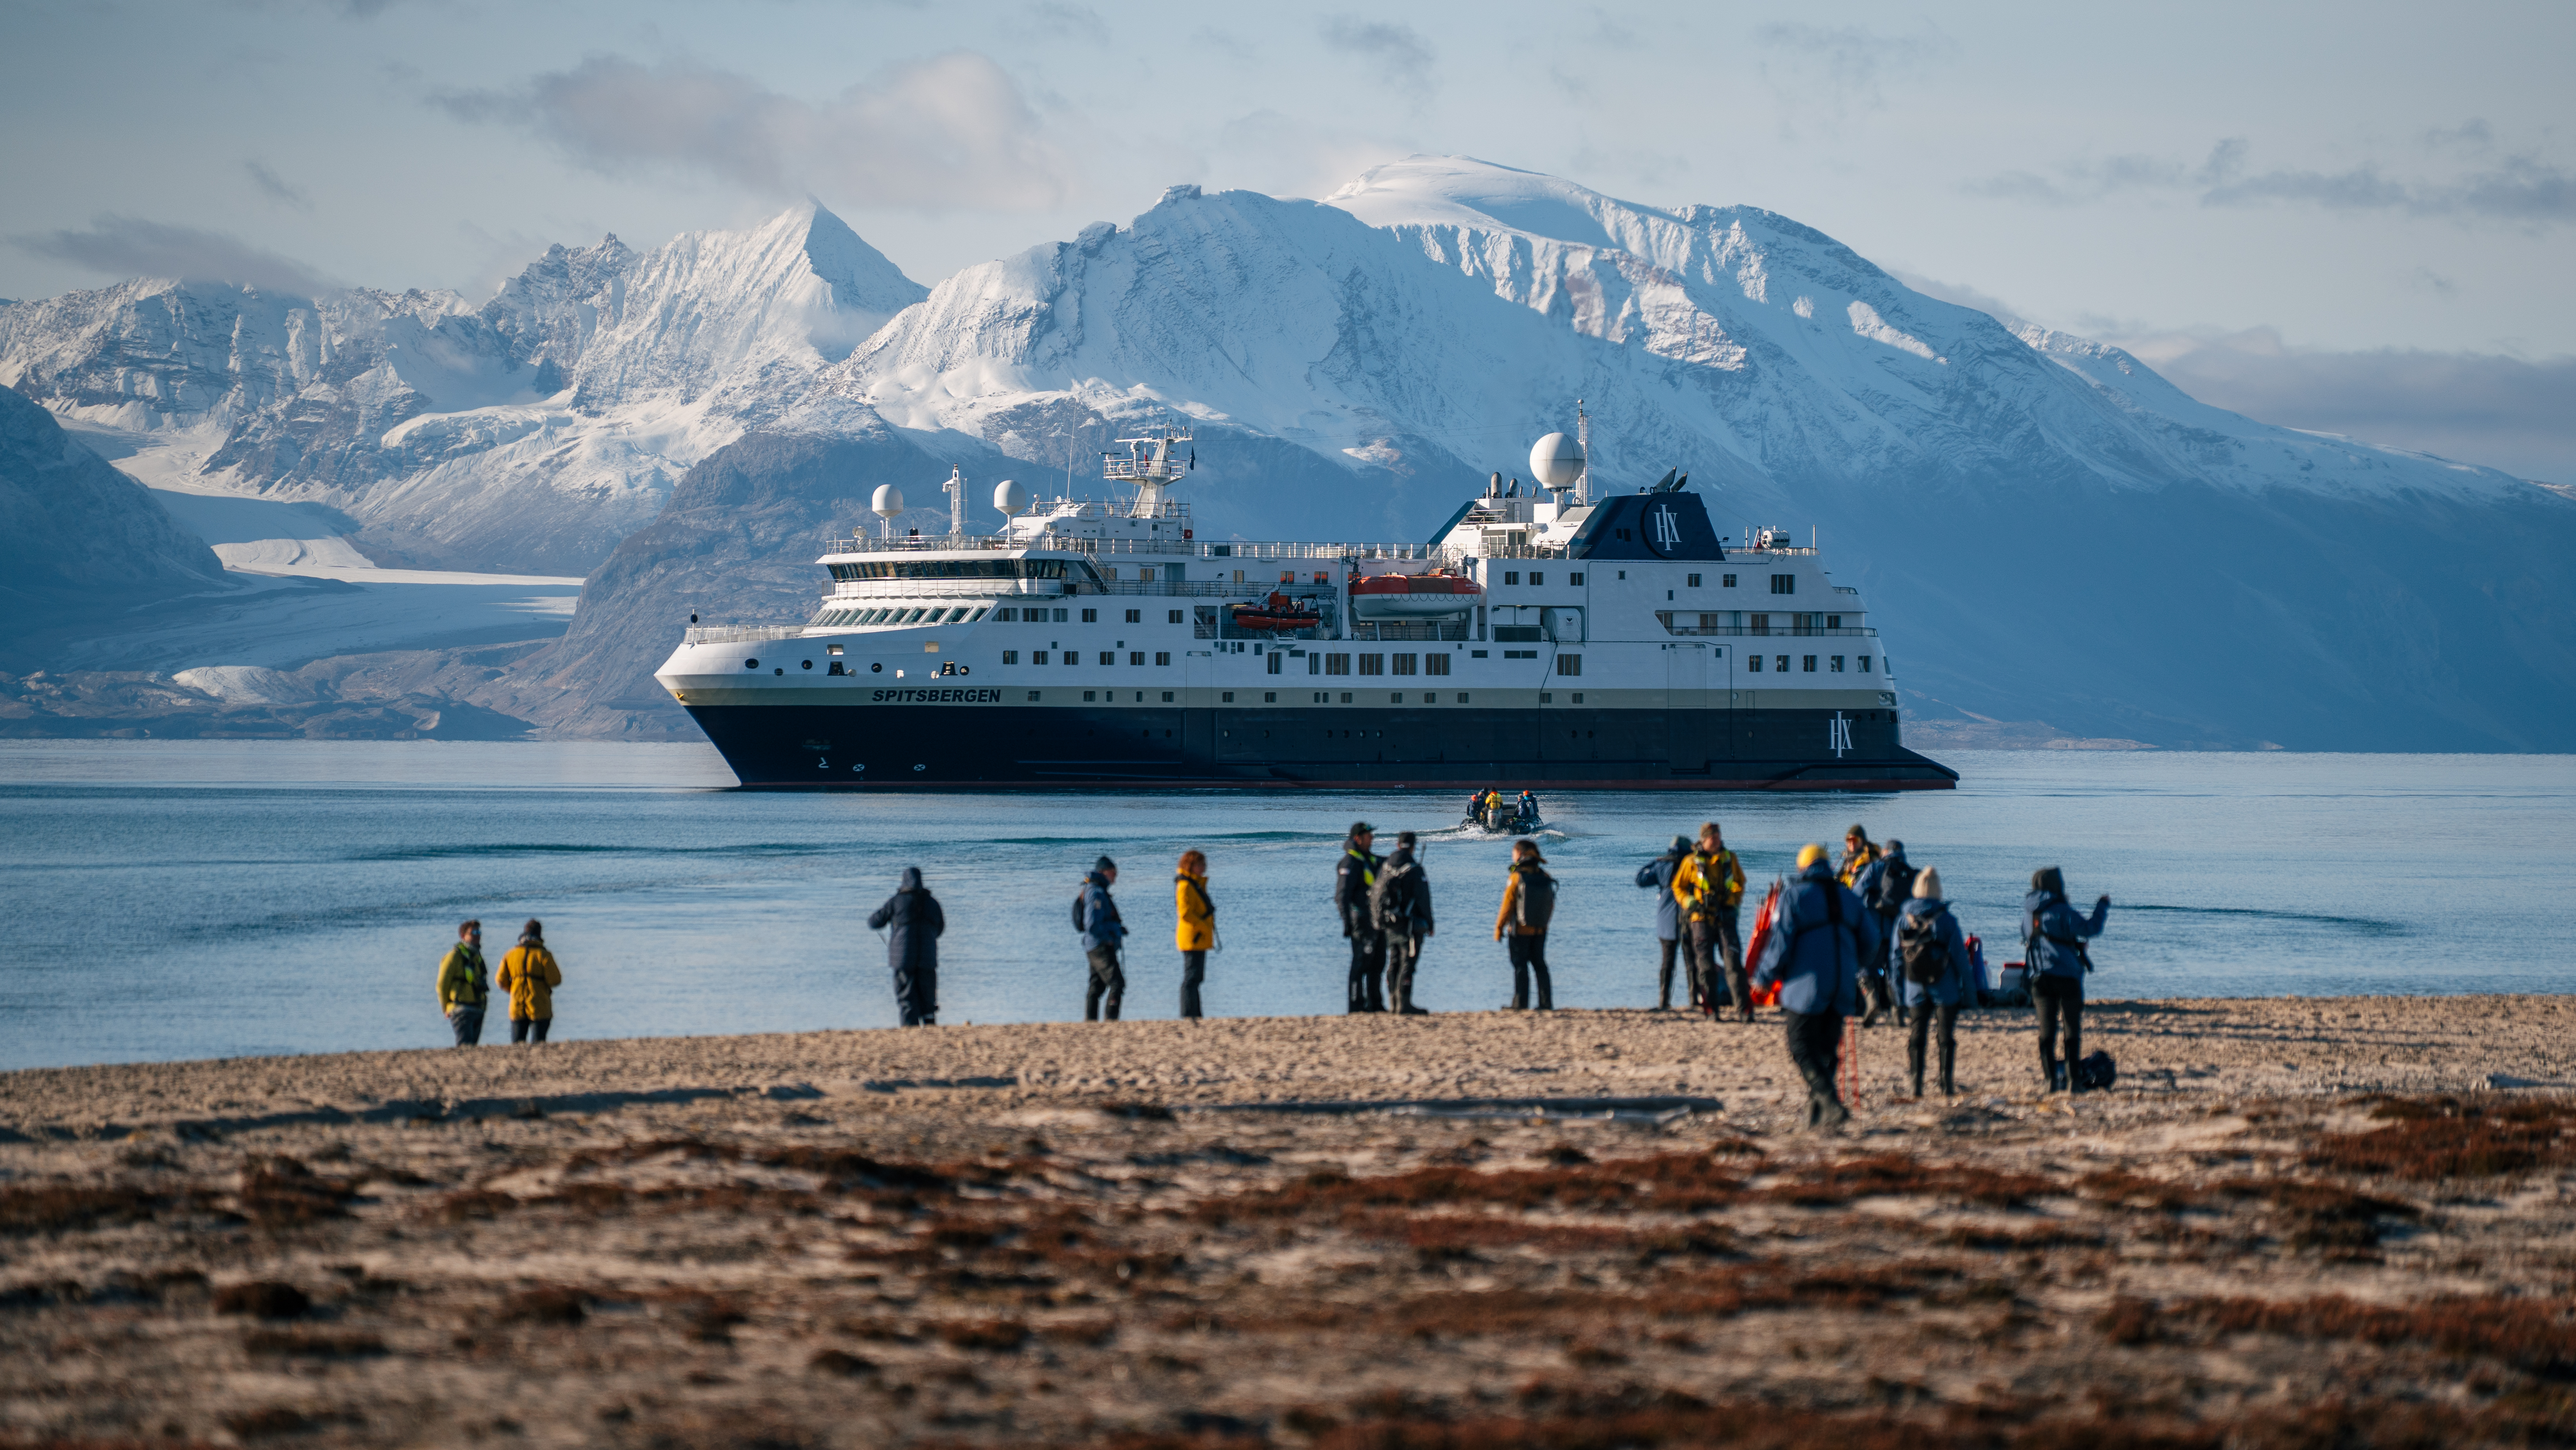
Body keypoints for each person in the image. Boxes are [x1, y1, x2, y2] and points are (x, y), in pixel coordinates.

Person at [1752, 844, 1880, 1132]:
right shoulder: (1849, 897)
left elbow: (1780, 944)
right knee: (1826, 1051)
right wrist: (1852, 962)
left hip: (1806, 989)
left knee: (1800, 1047)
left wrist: (1763, 977)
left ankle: (1832, 1106)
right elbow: (1872, 941)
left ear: (1803, 868)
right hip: (1842, 986)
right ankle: (1816, 1120)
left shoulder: (1795, 896)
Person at [2023, 866, 2111, 1092]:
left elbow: (2028, 938)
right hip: (2068, 978)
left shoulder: (2030, 915)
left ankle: (2049, 1080)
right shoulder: (2063, 910)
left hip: (2040, 978)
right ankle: (2073, 1083)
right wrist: (2102, 906)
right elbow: (2092, 929)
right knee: (2071, 1031)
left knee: (2047, 1033)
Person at [1895, 868, 1972, 1097]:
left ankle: (1916, 1084)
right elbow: (1961, 959)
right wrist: (1971, 995)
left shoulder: (1903, 919)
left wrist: (1898, 995)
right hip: (1945, 988)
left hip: (1914, 987)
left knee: (1917, 1035)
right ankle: (1946, 1083)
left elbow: (1895, 958)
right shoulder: (1947, 920)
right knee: (1945, 1036)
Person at [1672, 822, 1750, 1020]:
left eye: (1719, 837)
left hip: (1725, 917)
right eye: (1713, 838)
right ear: (1704, 839)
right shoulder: (1691, 862)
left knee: (1733, 963)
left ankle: (1744, 1010)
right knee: (1705, 967)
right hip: (1701, 919)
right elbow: (1678, 887)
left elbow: (1740, 882)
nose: (1717, 841)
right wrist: (1691, 903)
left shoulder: (1730, 859)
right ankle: (1711, 1011)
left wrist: (1732, 903)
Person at [868, 867, 945, 1026]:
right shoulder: (932, 903)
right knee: (928, 997)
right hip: (927, 957)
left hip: (902, 958)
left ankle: (910, 1030)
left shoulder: (896, 901)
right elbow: (940, 929)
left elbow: (874, 922)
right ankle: (930, 1029)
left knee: (906, 997)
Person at [1370, 831, 1436, 1014]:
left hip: (1389, 923)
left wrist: (1378, 920)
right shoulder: (1415, 869)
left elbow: (1376, 894)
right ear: (1414, 847)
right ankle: (1404, 1003)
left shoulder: (1386, 867)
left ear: (1398, 845)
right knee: (1408, 963)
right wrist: (1430, 923)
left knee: (1394, 962)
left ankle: (1394, 1002)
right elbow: (1423, 899)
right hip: (1410, 924)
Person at [1854, 839, 1917, 1028]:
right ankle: (1897, 1013)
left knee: (1866, 966)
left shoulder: (1876, 868)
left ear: (1885, 852)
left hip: (1874, 928)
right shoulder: (1910, 872)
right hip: (1900, 931)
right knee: (1894, 971)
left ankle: (1872, 1002)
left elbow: (1857, 893)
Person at [1492, 838, 1556, 1010]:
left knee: (1520, 966)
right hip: (1540, 930)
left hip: (1520, 930)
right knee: (1540, 965)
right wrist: (1544, 925)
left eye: (1513, 852)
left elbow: (1507, 906)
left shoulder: (1516, 877)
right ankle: (1546, 1003)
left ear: (1520, 854)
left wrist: (1499, 928)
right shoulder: (1545, 876)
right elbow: (1551, 904)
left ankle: (1520, 1004)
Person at [1635, 835, 1691, 1010]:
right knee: (1692, 962)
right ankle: (1695, 999)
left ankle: (1664, 1001)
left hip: (1666, 921)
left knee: (1668, 962)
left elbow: (1640, 880)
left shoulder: (1662, 866)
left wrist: (1653, 862)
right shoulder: (1691, 865)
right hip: (1690, 919)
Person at [1335, 822, 1386, 1013]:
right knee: (1361, 962)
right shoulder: (1350, 863)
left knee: (1378, 962)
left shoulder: (1370, 860)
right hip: (1361, 920)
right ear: (1358, 838)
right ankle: (1356, 1005)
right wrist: (1347, 923)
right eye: (1369, 835)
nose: (1372, 838)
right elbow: (1342, 896)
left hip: (1377, 921)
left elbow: (1387, 863)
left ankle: (1375, 1004)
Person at [496, 918, 564, 1044]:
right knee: (539, 1044)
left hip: (517, 1004)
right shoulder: (544, 955)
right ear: (540, 934)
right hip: (540, 1005)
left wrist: (512, 990)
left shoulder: (510, 954)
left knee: (517, 1045)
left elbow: (500, 981)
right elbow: (556, 980)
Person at [1077, 856, 1126, 1021]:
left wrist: (1118, 929)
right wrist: (1108, 938)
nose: (1115, 878)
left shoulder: (1095, 890)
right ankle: (1111, 1021)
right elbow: (1091, 924)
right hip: (1100, 946)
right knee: (1117, 983)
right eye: (1113, 873)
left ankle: (1090, 1023)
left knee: (1096, 987)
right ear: (1104, 873)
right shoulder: (1096, 892)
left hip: (1095, 945)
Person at [1174, 850, 1215, 1019]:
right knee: (1191, 978)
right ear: (1191, 865)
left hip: (1199, 936)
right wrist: (1203, 925)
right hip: (1192, 937)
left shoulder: (1195, 884)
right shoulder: (1185, 886)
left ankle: (1196, 1014)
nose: (1204, 868)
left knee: (1197, 978)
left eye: (1204, 864)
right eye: (1201, 865)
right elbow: (1185, 913)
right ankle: (1188, 1014)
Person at [436, 920, 489, 1047]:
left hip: (478, 1009)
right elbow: (442, 985)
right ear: (463, 936)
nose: (478, 936)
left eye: (479, 932)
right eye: (474, 933)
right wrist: (446, 1008)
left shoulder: (477, 957)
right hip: (460, 1010)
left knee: (473, 1048)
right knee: (465, 1047)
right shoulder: (453, 957)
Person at [1837, 824, 1877, 888]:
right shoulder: (1849, 858)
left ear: (1863, 841)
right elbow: (1839, 876)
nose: (1852, 843)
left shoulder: (1869, 858)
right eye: (1849, 840)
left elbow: (1857, 882)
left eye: (1856, 840)